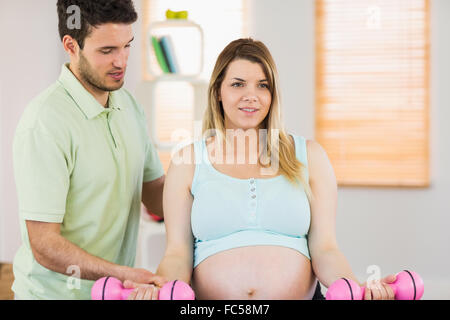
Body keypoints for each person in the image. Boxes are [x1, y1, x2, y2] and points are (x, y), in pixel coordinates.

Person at [126, 38, 397, 300]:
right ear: (218, 91)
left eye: (262, 85)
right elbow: (177, 254)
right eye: (238, 84)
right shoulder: (187, 162)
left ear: (272, 93)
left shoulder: (310, 156)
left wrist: (357, 289)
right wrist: (158, 289)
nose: (251, 96)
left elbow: (325, 249)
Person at [11, 0, 166, 300]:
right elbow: (44, 244)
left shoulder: (129, 106)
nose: (121, 61)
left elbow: (156, 195)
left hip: (115, 293)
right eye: (107, 51)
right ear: (71, 45)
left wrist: (211, 181)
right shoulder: (45, 122)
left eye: (127, 46)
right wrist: (123, 274)